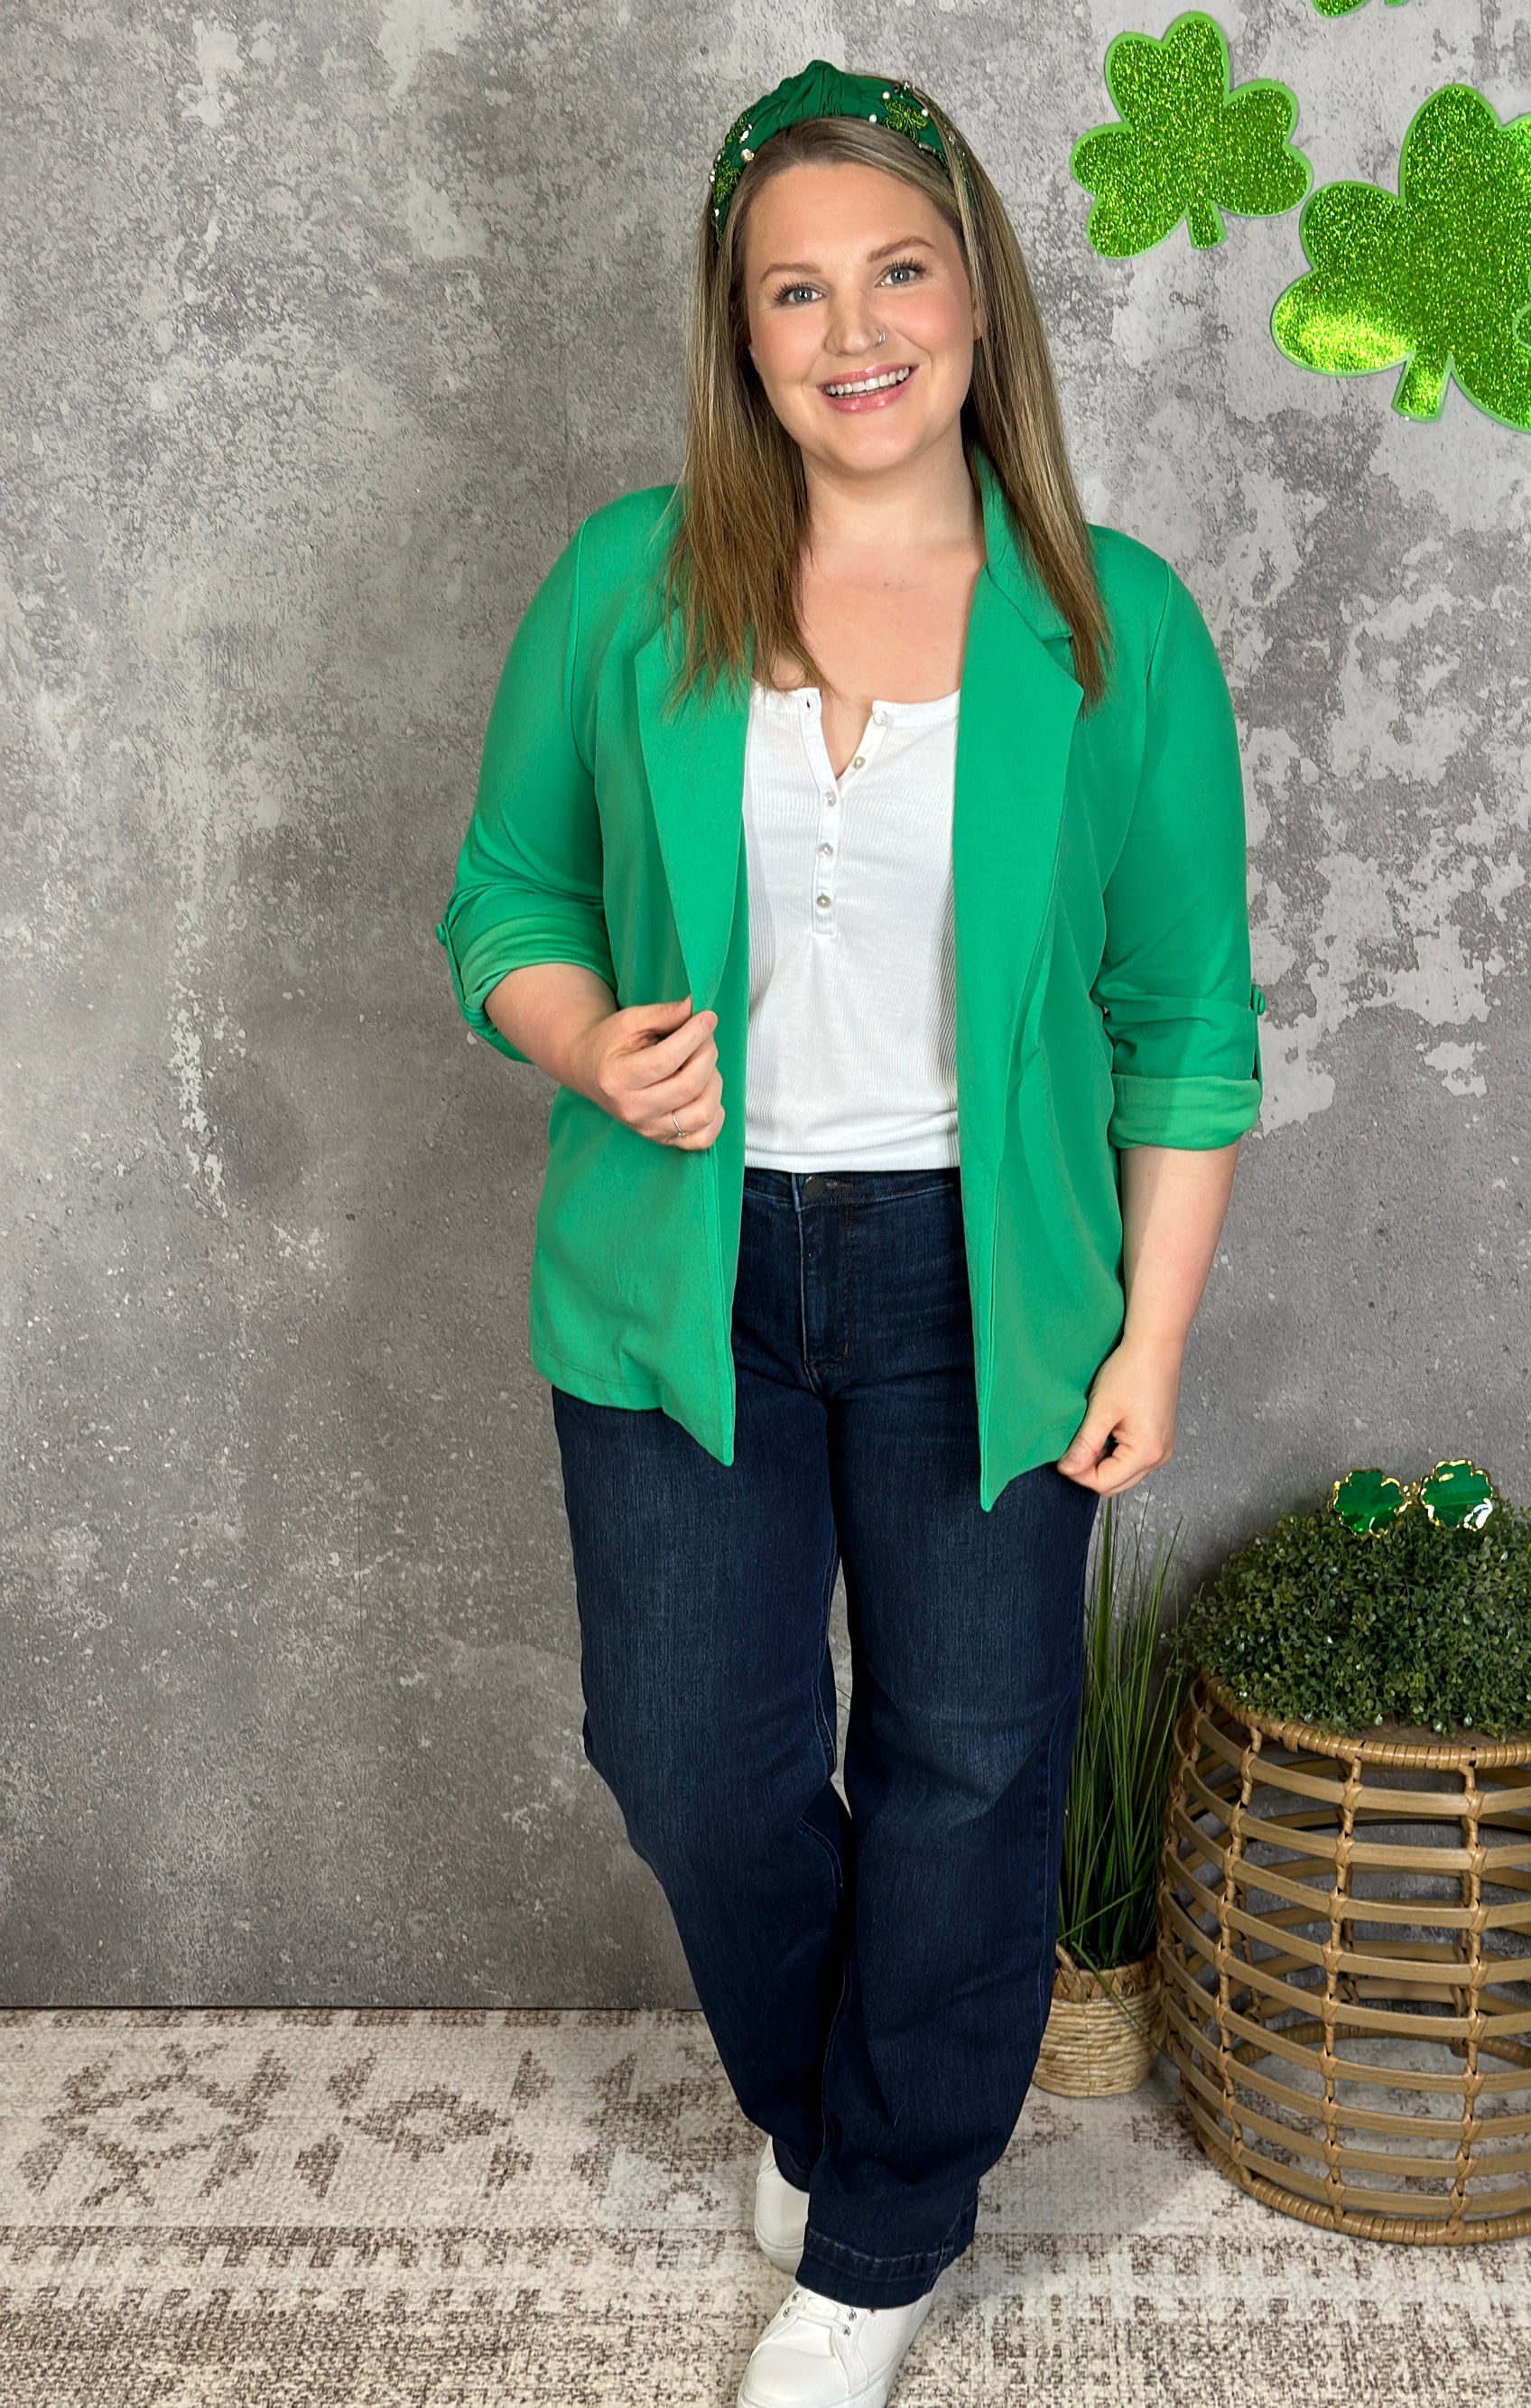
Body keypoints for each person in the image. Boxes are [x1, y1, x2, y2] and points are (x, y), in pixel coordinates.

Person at [434, 56, 1264, 2408]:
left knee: (969, 1765)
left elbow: (1185, 1024)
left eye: (899, 269)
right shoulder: (628, 582)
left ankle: (880, 2237)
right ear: (740, 328)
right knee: (685, 1754)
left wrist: (1153, 1335)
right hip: (676, 1273)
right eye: (795, 289)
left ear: (979, 295)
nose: (855, 328)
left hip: (982, 1288)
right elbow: (505, 897)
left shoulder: (1110, 628)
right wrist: (587, 1042)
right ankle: (832, 2108)